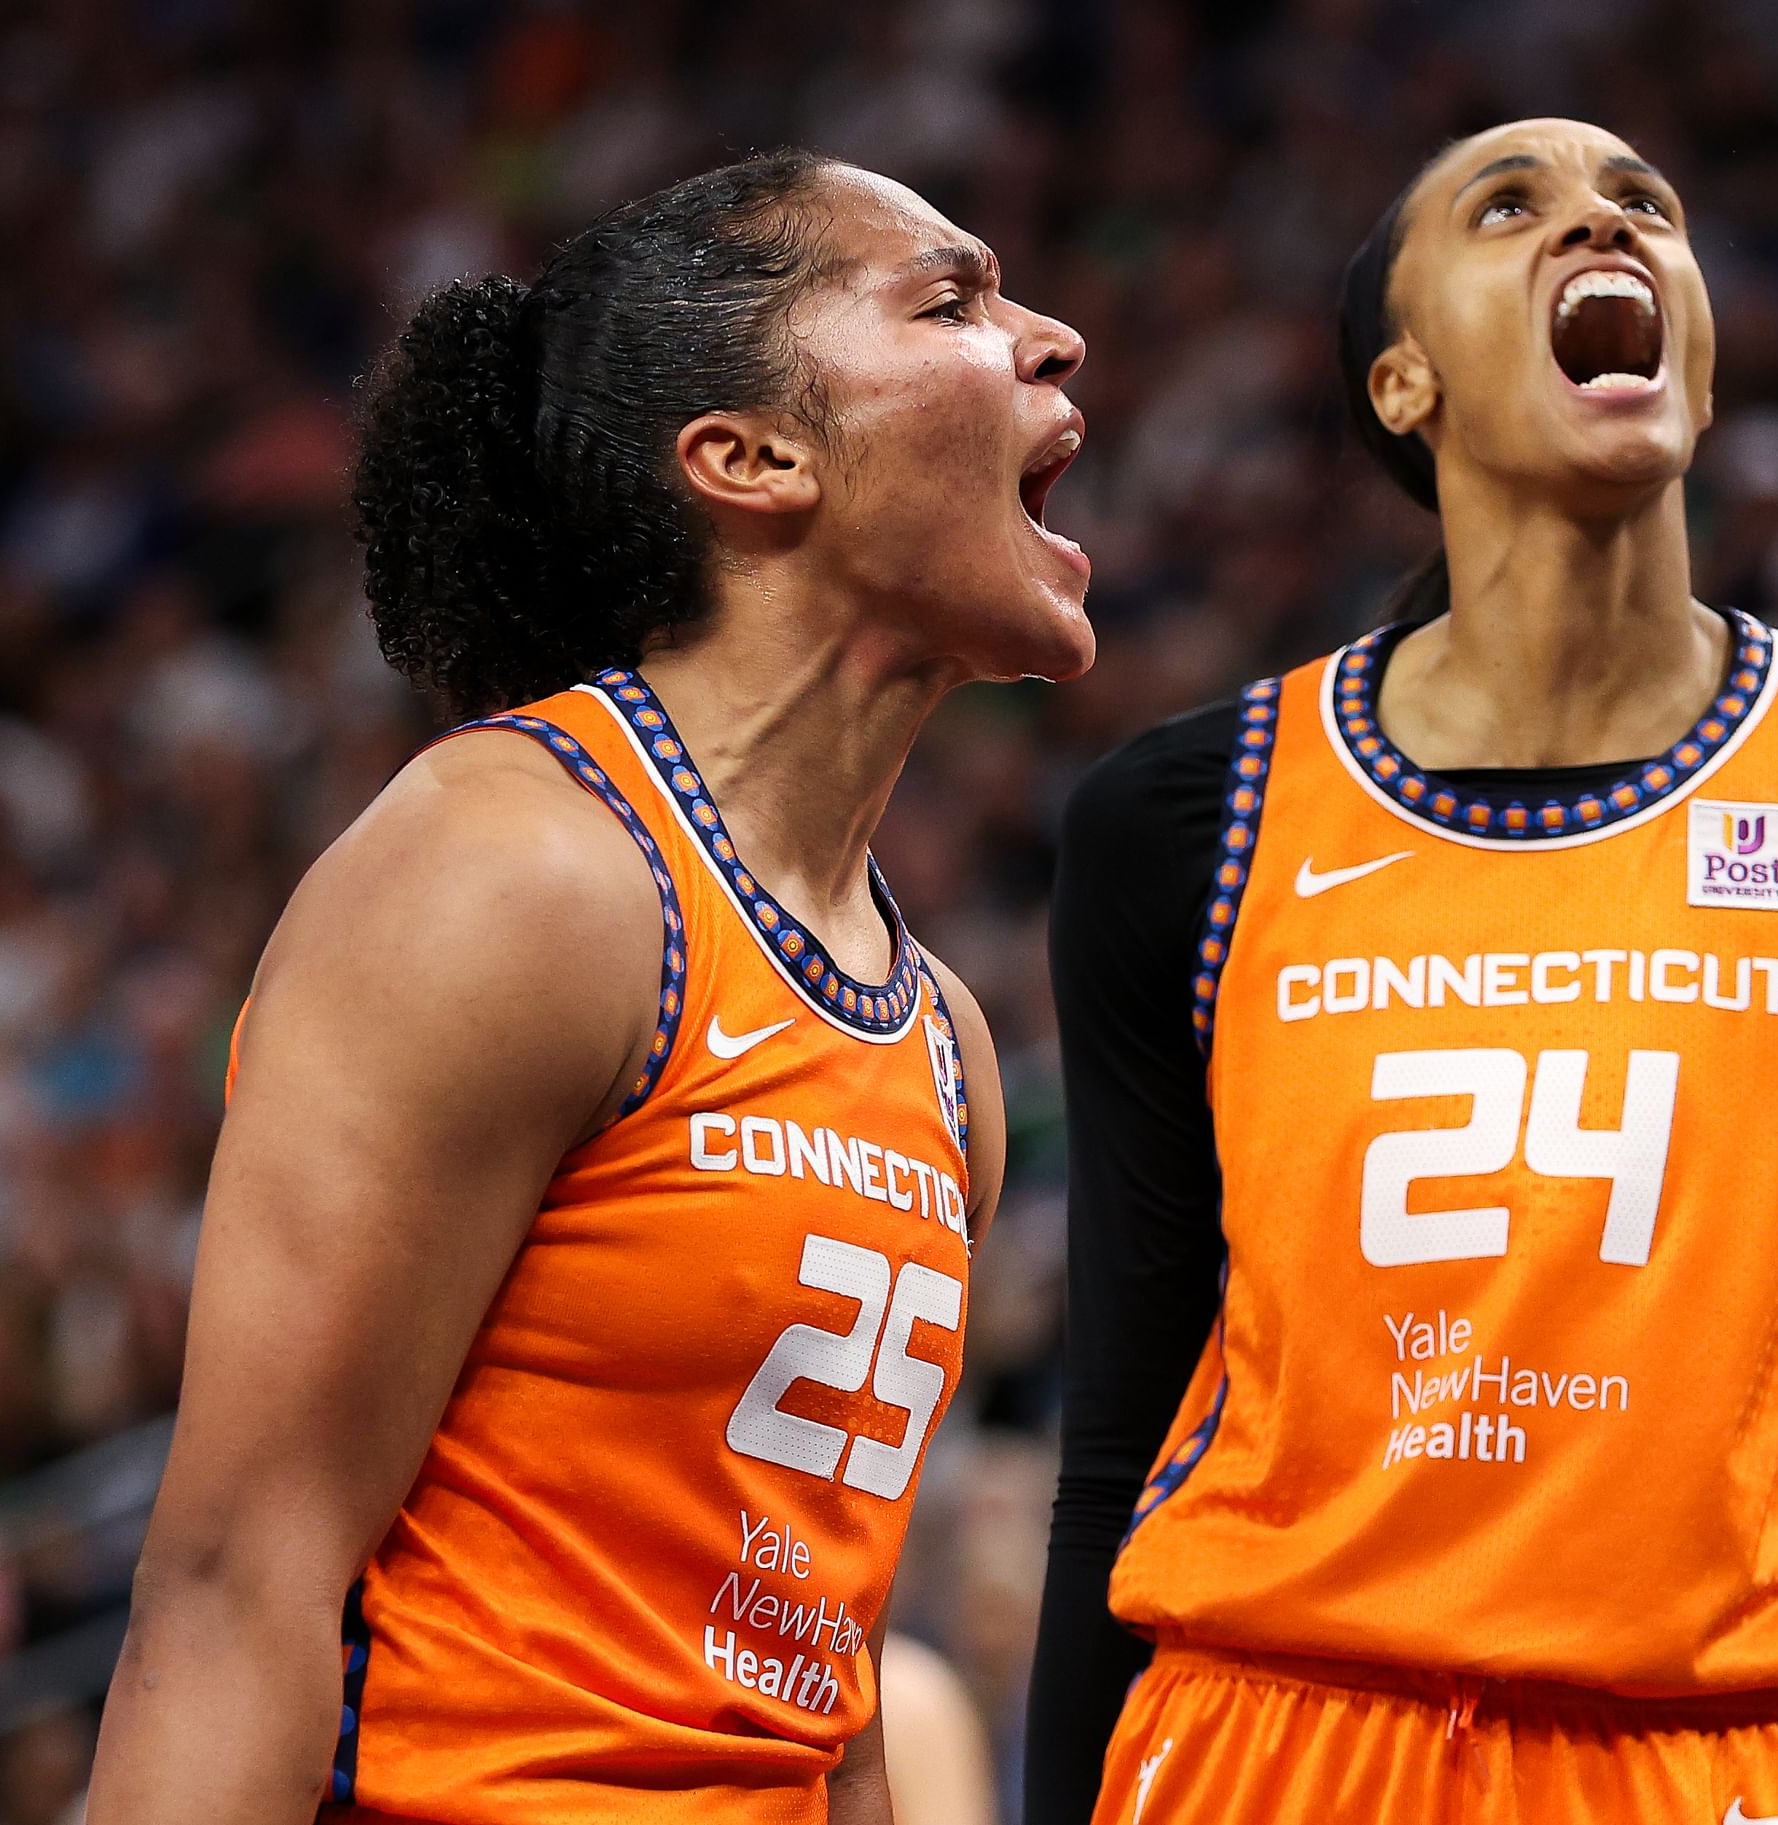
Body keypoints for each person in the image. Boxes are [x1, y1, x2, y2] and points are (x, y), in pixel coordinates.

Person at [1027, 119, 1778, 1825]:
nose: (1600, 216)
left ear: (1704, 370)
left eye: (1646, 204)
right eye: (1508, 207)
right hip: (1262, 1735)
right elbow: (1115, 1429)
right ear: (1400, 383)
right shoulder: (1185, 818)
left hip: (1706, 1751)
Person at [87, 149, 1093, 1824]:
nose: (1052, 340)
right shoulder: (515, 869)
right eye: (952, 300)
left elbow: (821, 1705)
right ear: (749, 456)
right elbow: (231, 1583)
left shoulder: (945, 1047)